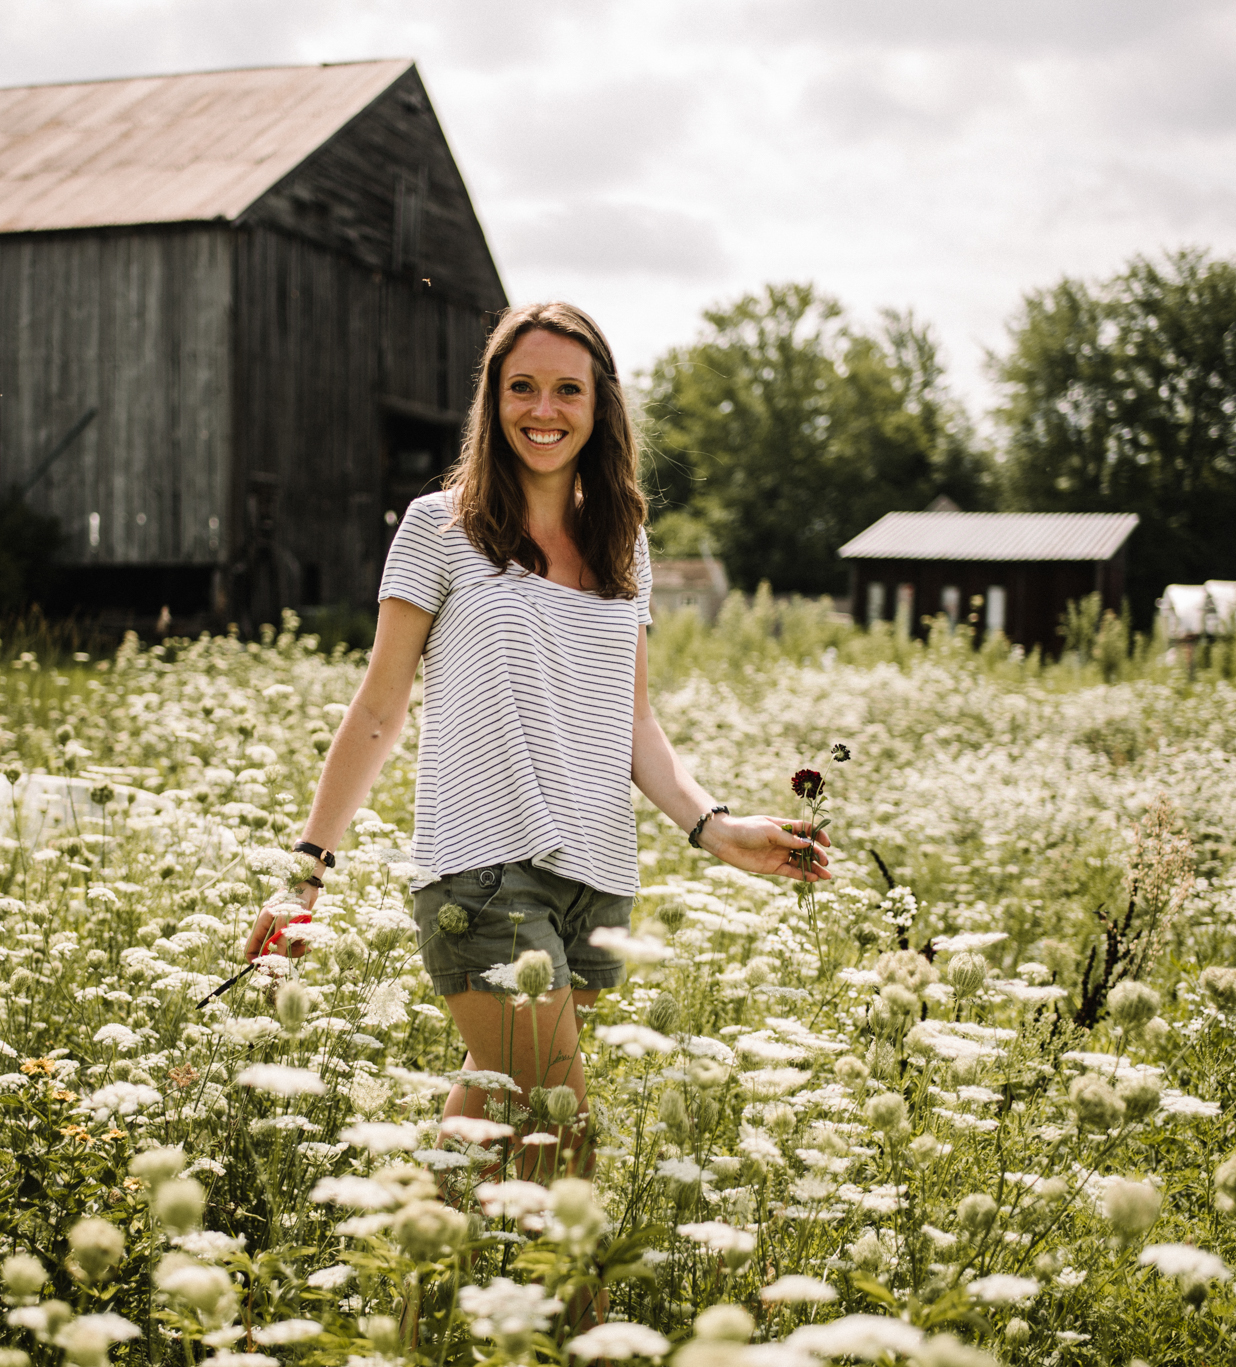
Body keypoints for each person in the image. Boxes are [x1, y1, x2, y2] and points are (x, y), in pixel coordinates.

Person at [244, 301, 831, 1178]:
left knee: (497, 1116)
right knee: (565, 1144)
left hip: (595, 884)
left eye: (567, 389)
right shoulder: (438, 526)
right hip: (480, 874)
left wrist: (717, 827)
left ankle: (413, 1301)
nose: (543, 410)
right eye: (522, 387)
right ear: (492, 398)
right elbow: (379, 707)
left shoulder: (623, 539)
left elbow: (632, 719)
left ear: (601, 406)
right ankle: (586, 1320)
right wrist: (305, 875)